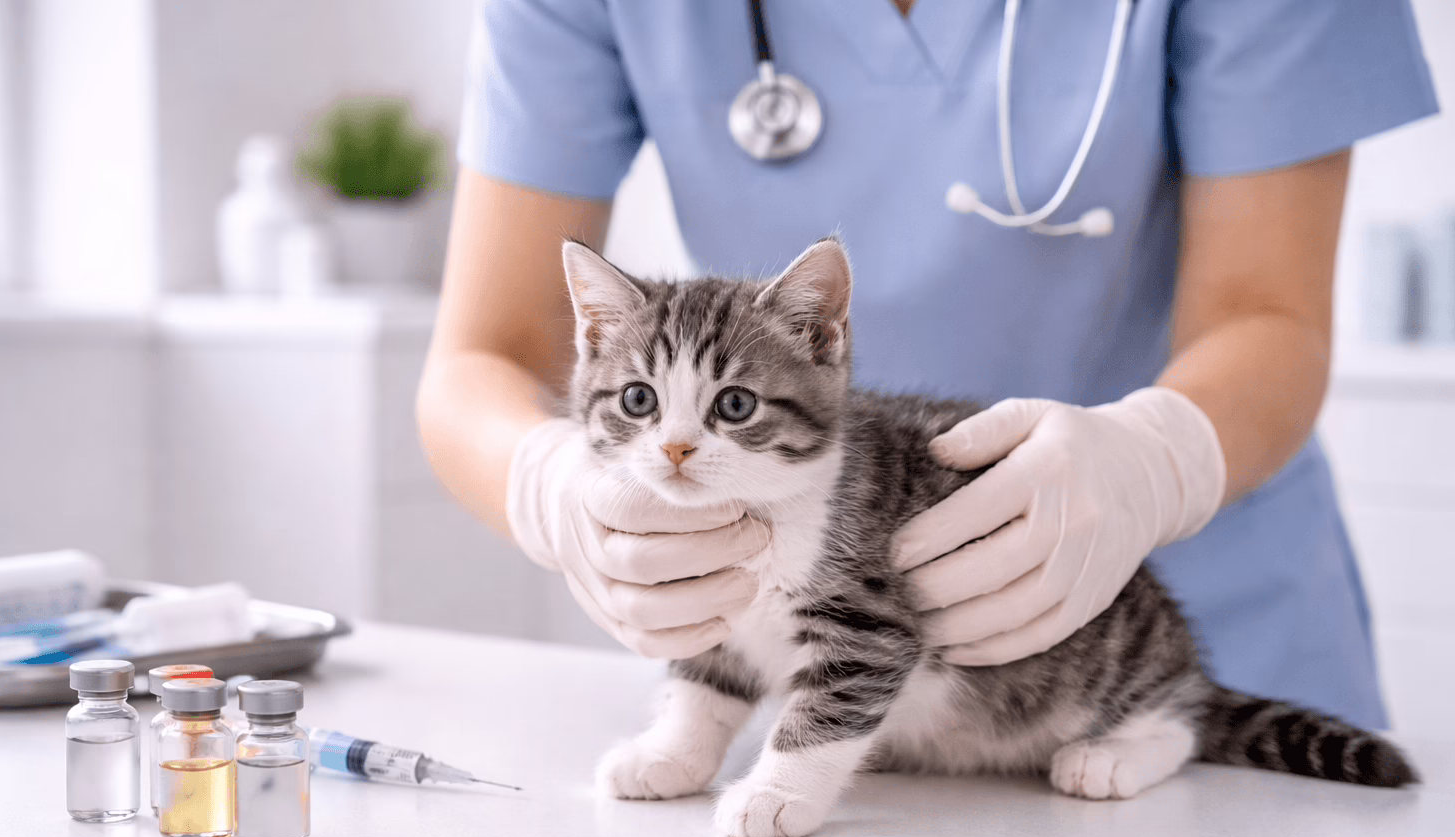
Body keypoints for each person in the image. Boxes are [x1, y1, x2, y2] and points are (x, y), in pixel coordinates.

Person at [418, 0, 1437, 729]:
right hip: (809, 667)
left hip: (1169, 641)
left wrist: (1157, 460)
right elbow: (482, 355)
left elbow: (1269, 313)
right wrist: (552, 488)